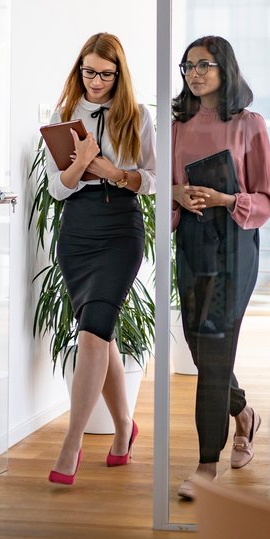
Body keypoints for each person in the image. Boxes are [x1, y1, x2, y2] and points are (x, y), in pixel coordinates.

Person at [43, 33, 156, 485]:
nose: (96, 81)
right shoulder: (65, 115)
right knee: (99, 331)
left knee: (92, 334)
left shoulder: (138, 115)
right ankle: (124, 428)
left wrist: (114, 172)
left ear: (119, 75)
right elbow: (57, 187)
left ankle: (72, 443)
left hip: (120, 228)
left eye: (106, 74)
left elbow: (152, 178)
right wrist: (82, 159)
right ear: (79, 69)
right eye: (89, 71)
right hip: (78, 228)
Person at [171, 36, 270, 500]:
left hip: (234, 242)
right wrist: (177, 194)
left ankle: (205, 463)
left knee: (215, 346)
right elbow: (166, 184)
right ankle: (243, 415)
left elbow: (267, 197)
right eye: (188, 66)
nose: (194, 74)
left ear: (224, 69)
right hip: (192, 240)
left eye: (203, 65)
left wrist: (225, 199)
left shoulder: (250, 124)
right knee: (198, 344)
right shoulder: (177, 126)